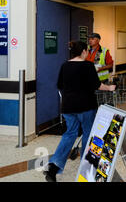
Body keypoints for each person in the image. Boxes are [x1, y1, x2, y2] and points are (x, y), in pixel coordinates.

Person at [44, 41, 116, 182]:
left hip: (68, 107)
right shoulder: (87, 65)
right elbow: (97, 85)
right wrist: (110, 88)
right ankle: (86, 166)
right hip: (86, 106)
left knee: (69, 134)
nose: (87, 53)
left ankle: (53, 167)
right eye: (87, 51)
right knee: (88, 134)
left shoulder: (65, 65)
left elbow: (59, 85)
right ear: (83, 51)